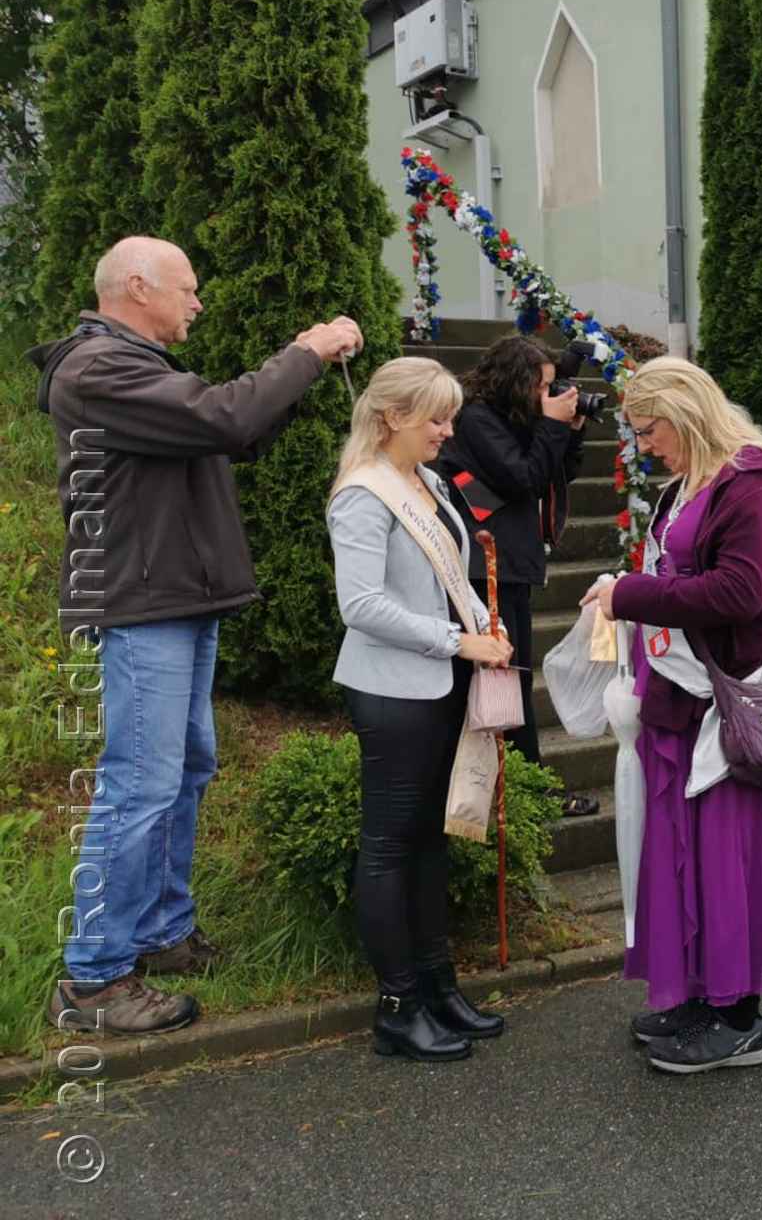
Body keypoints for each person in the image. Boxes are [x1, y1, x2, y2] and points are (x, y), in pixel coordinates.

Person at [35, 237, 360, 1037]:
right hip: (144, 607)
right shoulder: (96, 370)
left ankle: (161, 932)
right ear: (137, 286)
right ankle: (94, 980)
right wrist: (307, 350)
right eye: (188, 288)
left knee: (184, 771)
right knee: (139, 786)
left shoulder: (137, 368)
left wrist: (295, 381)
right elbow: (224, 413)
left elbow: (235, 431)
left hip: (175, 600)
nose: (199, 302)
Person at [582, 358, 762, 1074]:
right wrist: (629, 589)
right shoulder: (691, 481)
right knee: (686, 851)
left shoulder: (752, 483)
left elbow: (740, 593)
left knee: (726, 854)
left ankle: (740, 1017)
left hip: (726, 697)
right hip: (681, 692)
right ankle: (699, 992)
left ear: (685, 414)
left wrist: (632, 597)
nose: (644, 444)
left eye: (649, 430)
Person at [328, 357, 514, 1062]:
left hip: (441, 683)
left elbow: (450, 579)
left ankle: (439, 986)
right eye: (435, 418)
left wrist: (483, 630)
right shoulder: (364, 496)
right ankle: (398, 1005)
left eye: (450, 417)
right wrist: (455, 639)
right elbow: (362, 605)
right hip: (393, 691)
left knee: (430, 842)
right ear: (392, 417)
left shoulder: (428, 482)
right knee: (388, 846)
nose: (446, 431)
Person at [436, 334, 594, 815]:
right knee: (503, 680)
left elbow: (555, 473)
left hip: (509, 565)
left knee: (516, 679)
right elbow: (523, 477)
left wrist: (572, 430)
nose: (546, 396)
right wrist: (551, 426)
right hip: (488, 569)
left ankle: (520, 786)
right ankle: (514, 790)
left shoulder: (509, 418)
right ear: (517, 382)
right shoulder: (477, 420)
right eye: (541, 386)